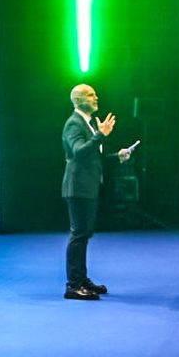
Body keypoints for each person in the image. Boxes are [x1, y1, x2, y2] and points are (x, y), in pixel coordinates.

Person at [61, 84, 134, 301]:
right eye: (91, 95)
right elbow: (79, 152)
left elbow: (94, 157)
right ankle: (73, 285)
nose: (96, 98)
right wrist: (100, 135)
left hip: (87, 186)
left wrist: (117, 156)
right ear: (78, 100)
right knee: (78, 234)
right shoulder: (74, 123)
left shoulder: (89, 123)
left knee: (84, 234)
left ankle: (81, 279)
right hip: (77, 186)